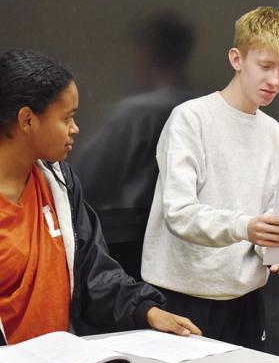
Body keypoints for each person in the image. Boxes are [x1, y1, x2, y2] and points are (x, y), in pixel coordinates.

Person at [0, 49, 201, 345]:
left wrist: (146, 310)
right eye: (67, 117)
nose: (75, 129)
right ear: (27, 120)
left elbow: (93, 270)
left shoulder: (61, 183)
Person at [141, 6, 279, 351]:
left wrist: (277, 248)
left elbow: (273, 215)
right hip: (182, 298)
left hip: (246, 300)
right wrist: (247, 227)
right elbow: (179, 212)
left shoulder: (277, 135)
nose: (275, 80)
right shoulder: (191, 119)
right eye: (265, 66)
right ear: (236, 58)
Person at [75, 11, 197, 279]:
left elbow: (85, 180)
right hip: (190, 251)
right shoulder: (202, 107)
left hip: (126, 245)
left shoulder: (138, 112)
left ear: (146, 52)